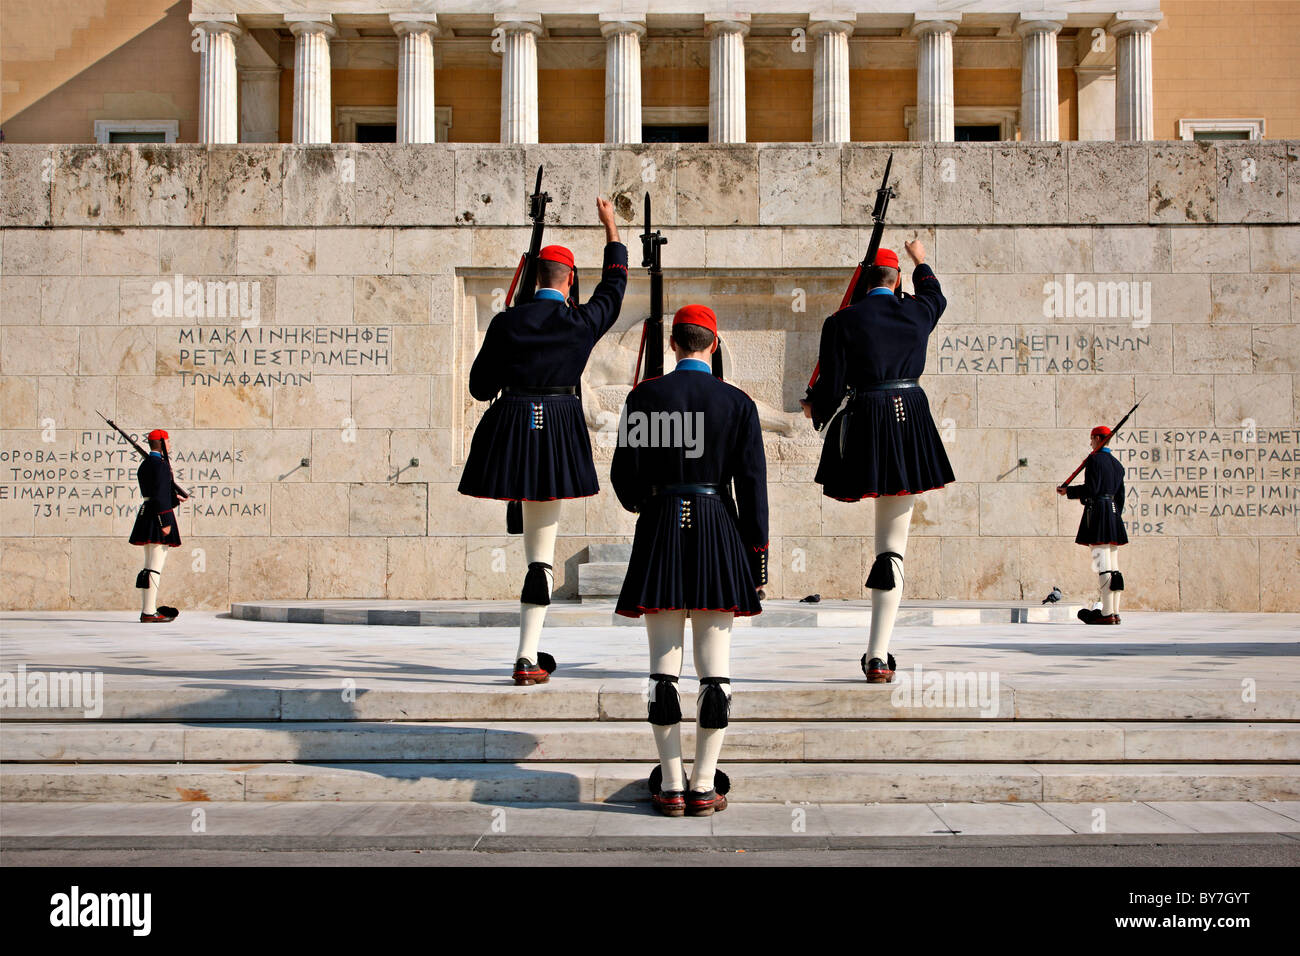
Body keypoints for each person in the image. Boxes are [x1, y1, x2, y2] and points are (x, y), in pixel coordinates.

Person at [458, 197, 628, 685]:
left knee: (534, 542)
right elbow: (614, 290)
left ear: (534, 278)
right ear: (569, 280)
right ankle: (526, 655)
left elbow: (478, 388)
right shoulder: (580, 323)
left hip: (513, 429)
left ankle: (530, 653)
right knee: (542, 553)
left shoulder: (507, 322)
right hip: (555, 429)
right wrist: (611, 227)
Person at [612, 304, 769, 817]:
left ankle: (672, 783)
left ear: (674, 345)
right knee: (714, 672)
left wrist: (648, 502)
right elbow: (752, 489)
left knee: (663, 669)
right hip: (717, 525)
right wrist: (757, 556)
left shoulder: (645, 398)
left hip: (661, 525)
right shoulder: (738, 403)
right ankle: (704, 784)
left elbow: (623, 476)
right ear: (714, 344)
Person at [801, 241, 954, 683]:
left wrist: (815, 408)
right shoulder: (916, 313)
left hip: (867, 420)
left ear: (864, 284)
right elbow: (935, 296)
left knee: (887, 545)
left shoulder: (842, 321)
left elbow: (831, 382)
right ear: (898, 281)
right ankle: (879, 655)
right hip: (909, 421)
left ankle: (877, 652)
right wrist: (921, 257)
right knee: (893, 547)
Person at [1057, 425, 1128, 624]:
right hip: (1114, 514)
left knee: (1102, 565)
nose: (1090, 443)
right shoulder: (1117, 464)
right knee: (1113, 566)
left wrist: (1069, 492)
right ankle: (1114, 611)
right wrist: (1114, 517)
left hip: (1098, 513)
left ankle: (1106, 613)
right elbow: (1120, 497)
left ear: (1097, 438)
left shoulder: (1095, 460)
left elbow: (1092, 489)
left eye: (1091, 439)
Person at [128, 429, 186, 623]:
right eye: (168, 442)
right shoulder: (160, 465)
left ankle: (148, 609)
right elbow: (160, 495)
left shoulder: (146, 464)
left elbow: (155, 492)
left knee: (149, 566)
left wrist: (173, 498)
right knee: (154, 568)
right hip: (159, 518)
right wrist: (165, 523)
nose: (170, 445)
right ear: (161, 443)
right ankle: (149, 612)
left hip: (148, 514)